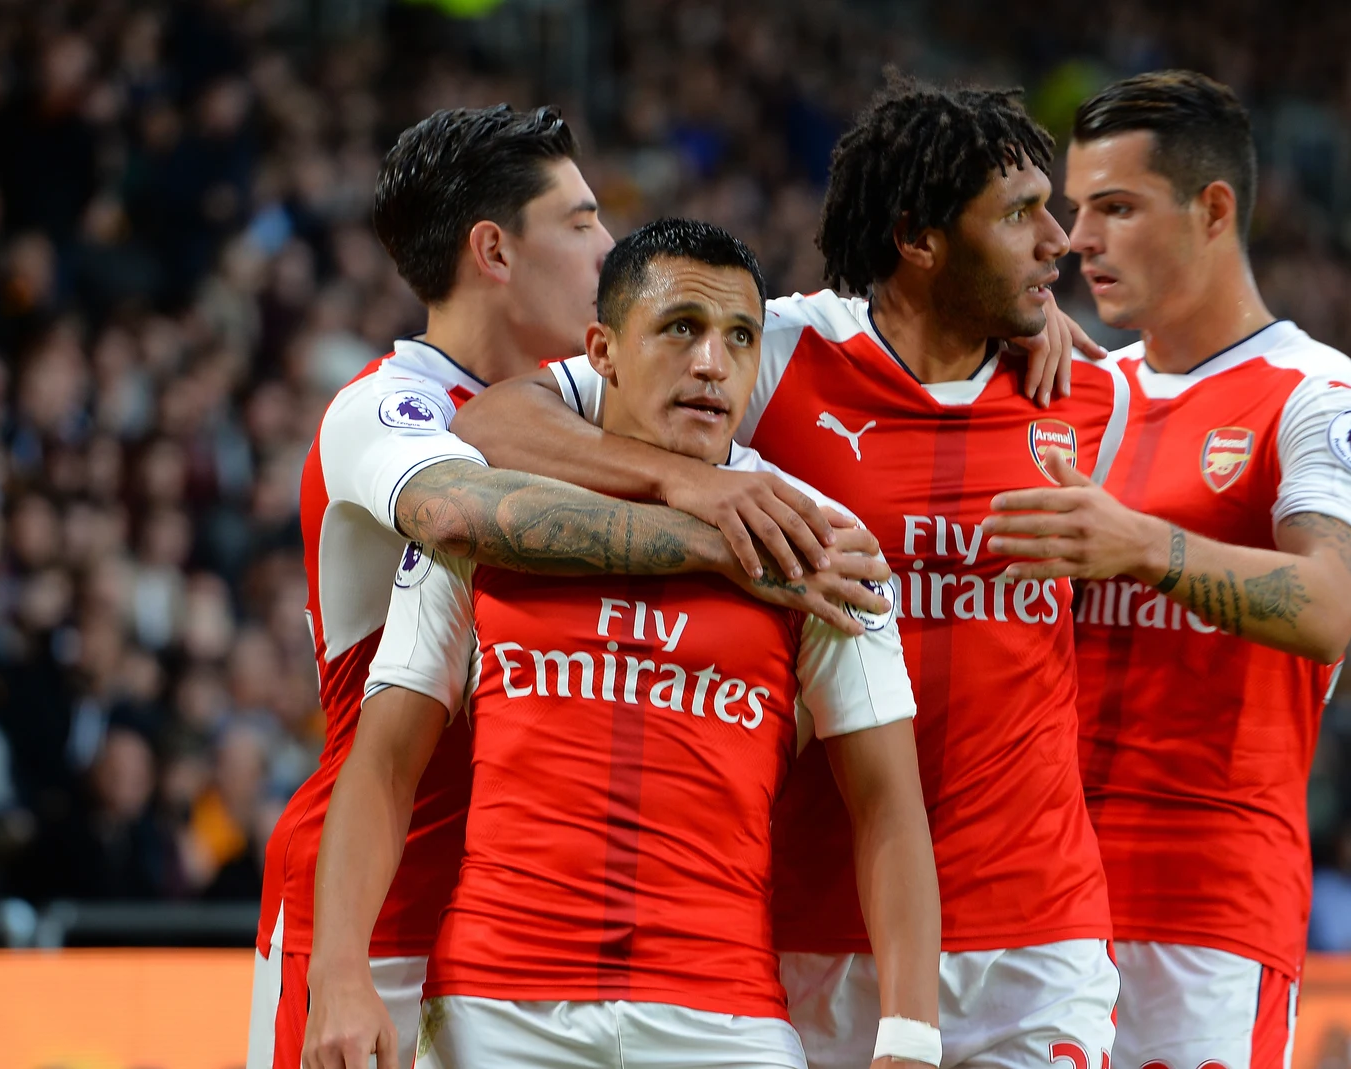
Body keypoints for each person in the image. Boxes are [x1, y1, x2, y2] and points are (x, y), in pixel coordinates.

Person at [455, 79, 1127, 1069]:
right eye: (1023, 214)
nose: (1059, 240)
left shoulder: (1088, 392)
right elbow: (496, 421)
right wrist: (694, 491)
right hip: (811, 928)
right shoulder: (770, 351)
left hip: (1037, 931)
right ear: (920, 239)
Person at [246, 106, 892, 1069]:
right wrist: (728, 528)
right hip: (375, 912)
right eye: (584, 221)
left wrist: (1029, 314)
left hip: (524, 937)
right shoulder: (388, 407)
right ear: (495, 251)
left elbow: (818, 326)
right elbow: (466, 514)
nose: (611, 244)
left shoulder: (599, 397)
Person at [981, 70, 1351, 1069]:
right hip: (1043, 889)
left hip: (1207, 900)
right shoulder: (1080, 391)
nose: (1081, 239)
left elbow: (1326, 605)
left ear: (1214, 210)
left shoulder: (1318, 392)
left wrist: (1142, 549)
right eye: (1077, 211)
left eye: (1117, 208)